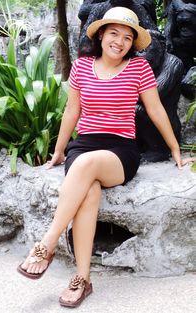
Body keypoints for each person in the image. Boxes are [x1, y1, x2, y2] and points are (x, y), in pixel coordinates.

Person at [17, 6, 195, 308]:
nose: (120, 41)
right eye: (114, 33)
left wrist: (176, 151)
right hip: (83, 145)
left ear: (132, 43)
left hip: (121, 151)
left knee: (87, 166)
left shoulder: (139, 69)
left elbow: (155, 111)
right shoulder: (82, 67)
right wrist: (59, 151)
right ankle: (82, 280)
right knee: (89, 192)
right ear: (101, 35)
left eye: (127, 37)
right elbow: (72, 111)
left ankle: (47, 243)